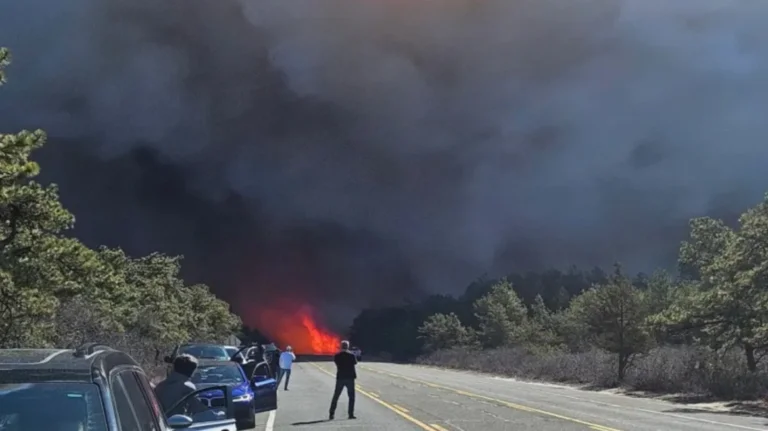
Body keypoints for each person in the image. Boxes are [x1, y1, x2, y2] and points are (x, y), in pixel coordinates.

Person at [154, 354, 220, 420]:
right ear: (192, 372)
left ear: (174, 368)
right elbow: (200, 410)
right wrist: (218, 416)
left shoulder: (160, 386)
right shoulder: (187, 387)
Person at [329, 340, 357, 420]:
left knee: (336, 396)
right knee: (351, 397)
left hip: (340, 377)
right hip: (350, 378)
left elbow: (337, 363)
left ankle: (331, 414)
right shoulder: (351, 355)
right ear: (348, 346)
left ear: (341, 346)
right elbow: (355, 363)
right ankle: (350, 414)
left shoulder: (337, 356)